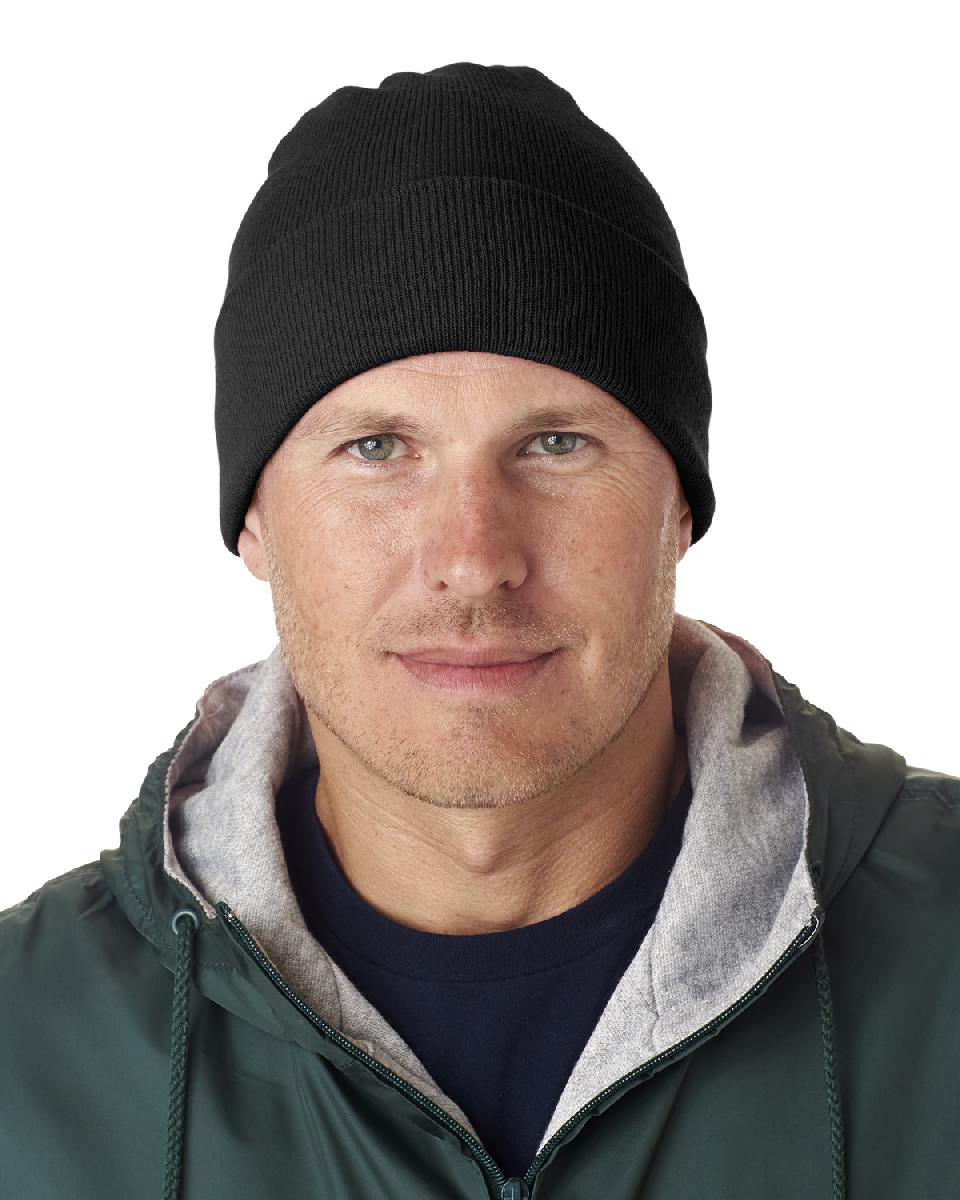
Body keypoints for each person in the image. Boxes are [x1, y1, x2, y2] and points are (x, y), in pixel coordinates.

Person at [1, 62, 957, 1200]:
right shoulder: (26, 1042)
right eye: (376, 449)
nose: (472, 556)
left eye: (556, 444)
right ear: (254, 518)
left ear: (680, 507)